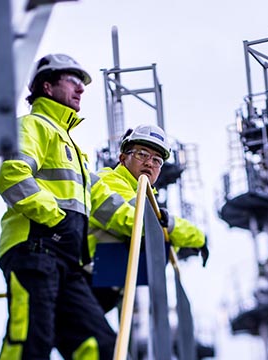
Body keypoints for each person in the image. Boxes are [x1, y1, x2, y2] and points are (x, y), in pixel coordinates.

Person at [0, 54, 116, 359]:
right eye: (73, 81)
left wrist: (161, 224)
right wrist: (56, 221)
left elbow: (104, 203)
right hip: (34, 250)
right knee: (30, 342)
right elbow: (12, 176)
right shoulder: (34, 126)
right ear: (47, 87)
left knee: (100, 345)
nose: (81, 89)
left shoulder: (73, 147)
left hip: (67, 262)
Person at [87, 124, 208, 312]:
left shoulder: (142, 193)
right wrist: (197, 237)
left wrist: (172, 233)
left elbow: (159, 237)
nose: (150, 163)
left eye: (157, 160)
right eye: (142, 154)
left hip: (105, 284)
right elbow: (140, 223)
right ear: (122, 158)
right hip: (88, 277)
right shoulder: (109, 181)